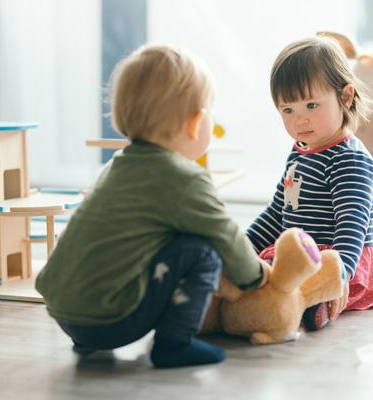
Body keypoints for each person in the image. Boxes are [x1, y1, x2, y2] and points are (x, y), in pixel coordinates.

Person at [36, 44, 269, 369]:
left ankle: (88, 338)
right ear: (195, 123)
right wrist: (255, 276)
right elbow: (224, 232)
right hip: (111, 320)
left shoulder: (116, 167)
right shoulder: (184, 178)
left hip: (64, 313)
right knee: (202, 250)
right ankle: (175, 345)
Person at [246, 35, 373, 331]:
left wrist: (337, 275)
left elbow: (351, 226)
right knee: (259, 274)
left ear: (346, 97)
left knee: (282, 286)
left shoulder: (349, 159)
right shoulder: (299, 152)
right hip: (298, 252)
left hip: (338, 259)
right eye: (288, 110)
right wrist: (244, 247)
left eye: (311, 105)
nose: (300, 120)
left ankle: (310, 304)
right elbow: (278, 212)